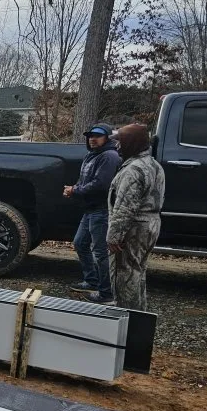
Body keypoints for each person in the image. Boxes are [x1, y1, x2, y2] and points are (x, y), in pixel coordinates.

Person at [107, 123, 165, 311]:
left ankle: (126, 315)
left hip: (133, 228)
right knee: (137, 272)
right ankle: (139, 314)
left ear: (131, 144)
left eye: (120, 142)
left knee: (124, 275)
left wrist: (114, 236)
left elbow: (125, 206)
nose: (117, 147)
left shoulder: (133, 169)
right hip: (151, 225)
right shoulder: (154, 165)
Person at [64, 123, 121, 304]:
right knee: (80, 243)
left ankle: (106, 294)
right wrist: (74, 188)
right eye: (90, 135)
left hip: (102, 210)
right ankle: (91, 280)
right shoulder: (92, 155)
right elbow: (84, 179)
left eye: (97, 136)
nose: (92, 139)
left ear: (107, 138)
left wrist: (75, 191)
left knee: (100, 252)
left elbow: (101, 184)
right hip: (90, 210)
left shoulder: (109, 156)